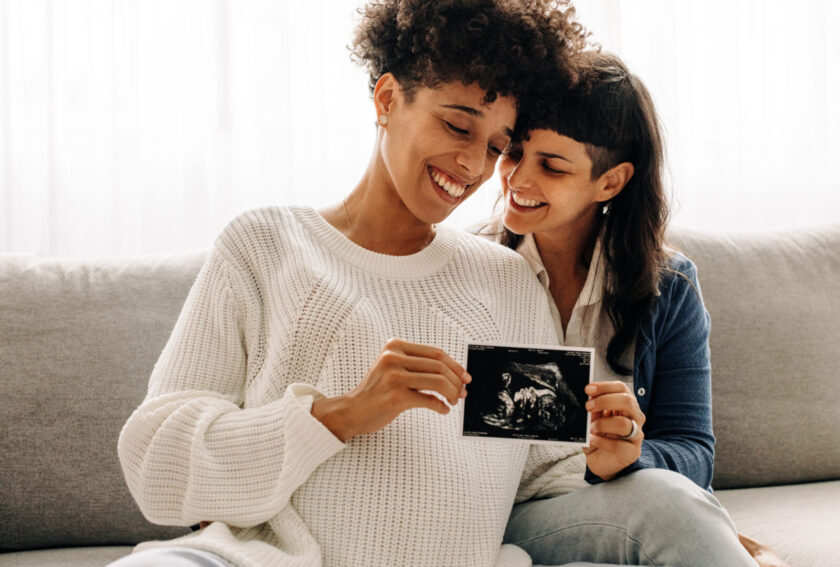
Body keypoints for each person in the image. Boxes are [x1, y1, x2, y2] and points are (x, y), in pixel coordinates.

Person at [111, 2, 589, 566]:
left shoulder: (505, 283)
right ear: (387, 100)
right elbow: (155, 465)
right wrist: (338, 417)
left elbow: (547, 478)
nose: (472, 165)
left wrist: (608, 456)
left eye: (494, 147)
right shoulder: (266, 245)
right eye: (457, 125)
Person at [475, 51, 779, 566]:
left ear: (610, 182)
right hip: (501, 514)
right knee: (671, 509)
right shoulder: (470, 269)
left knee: (667, 506)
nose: (518, 180)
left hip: (617, 502)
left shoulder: (670, 286)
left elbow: (693, 451)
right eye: (513, 152)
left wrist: (631, 458)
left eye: (551, 165)